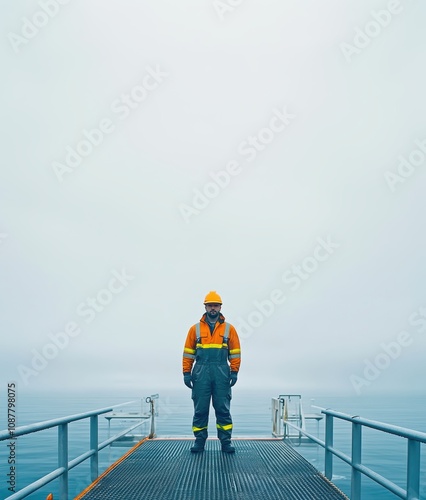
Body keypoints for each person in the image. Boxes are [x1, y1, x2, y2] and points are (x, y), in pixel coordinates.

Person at [182, 291, 241, 453]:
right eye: (210, 305)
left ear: (220, 307)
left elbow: (235, 352)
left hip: (222, 371)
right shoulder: (195, 330)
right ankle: (199, 442)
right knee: (200, 409)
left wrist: (234, 371)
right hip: (201, 372)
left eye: (215, 305)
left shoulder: (230, 329)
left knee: (223, 409)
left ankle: (226, 442)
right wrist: (186, 373)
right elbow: (188, 353)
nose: (213, 308)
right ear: (205, 307)